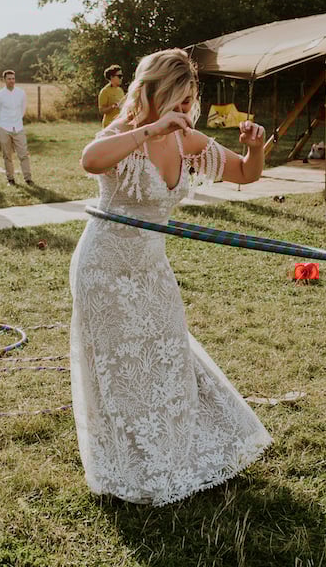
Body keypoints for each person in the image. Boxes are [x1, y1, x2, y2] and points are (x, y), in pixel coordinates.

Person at [70, 48, 272, 505]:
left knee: (166, 357)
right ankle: (132, 464)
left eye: (188, 102)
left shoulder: (189, 142)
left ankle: (173, 453)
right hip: (103, 267)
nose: (184, 111)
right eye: (176, 102)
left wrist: (254, 147)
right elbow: (90, 160)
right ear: (151, 95)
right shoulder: (125, 133)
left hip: (150, 268)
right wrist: (150, 128)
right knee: (120, 369)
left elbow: (245, 173)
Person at [0, 69, 33, 186]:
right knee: (7, 155)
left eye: (13, 78)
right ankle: (10, 179)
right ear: (4, 80)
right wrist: (4, 124)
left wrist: (16, 120)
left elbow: (22, 109)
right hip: (4, 128)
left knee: (23, 154)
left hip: (18, 127)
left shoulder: (21, 93)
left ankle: (28, 178)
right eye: (9, 79)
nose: (11, 81)